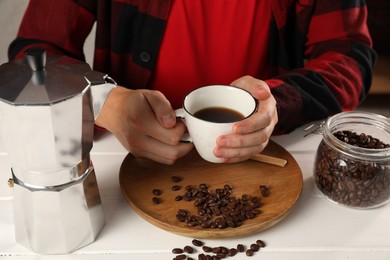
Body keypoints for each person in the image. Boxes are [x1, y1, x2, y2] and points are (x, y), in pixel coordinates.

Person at [8, 0, 376, 165]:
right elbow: (33, 53)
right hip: (118, 156)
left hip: (268, 153)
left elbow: (350, 57)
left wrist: (279, 102)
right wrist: (104, 102)